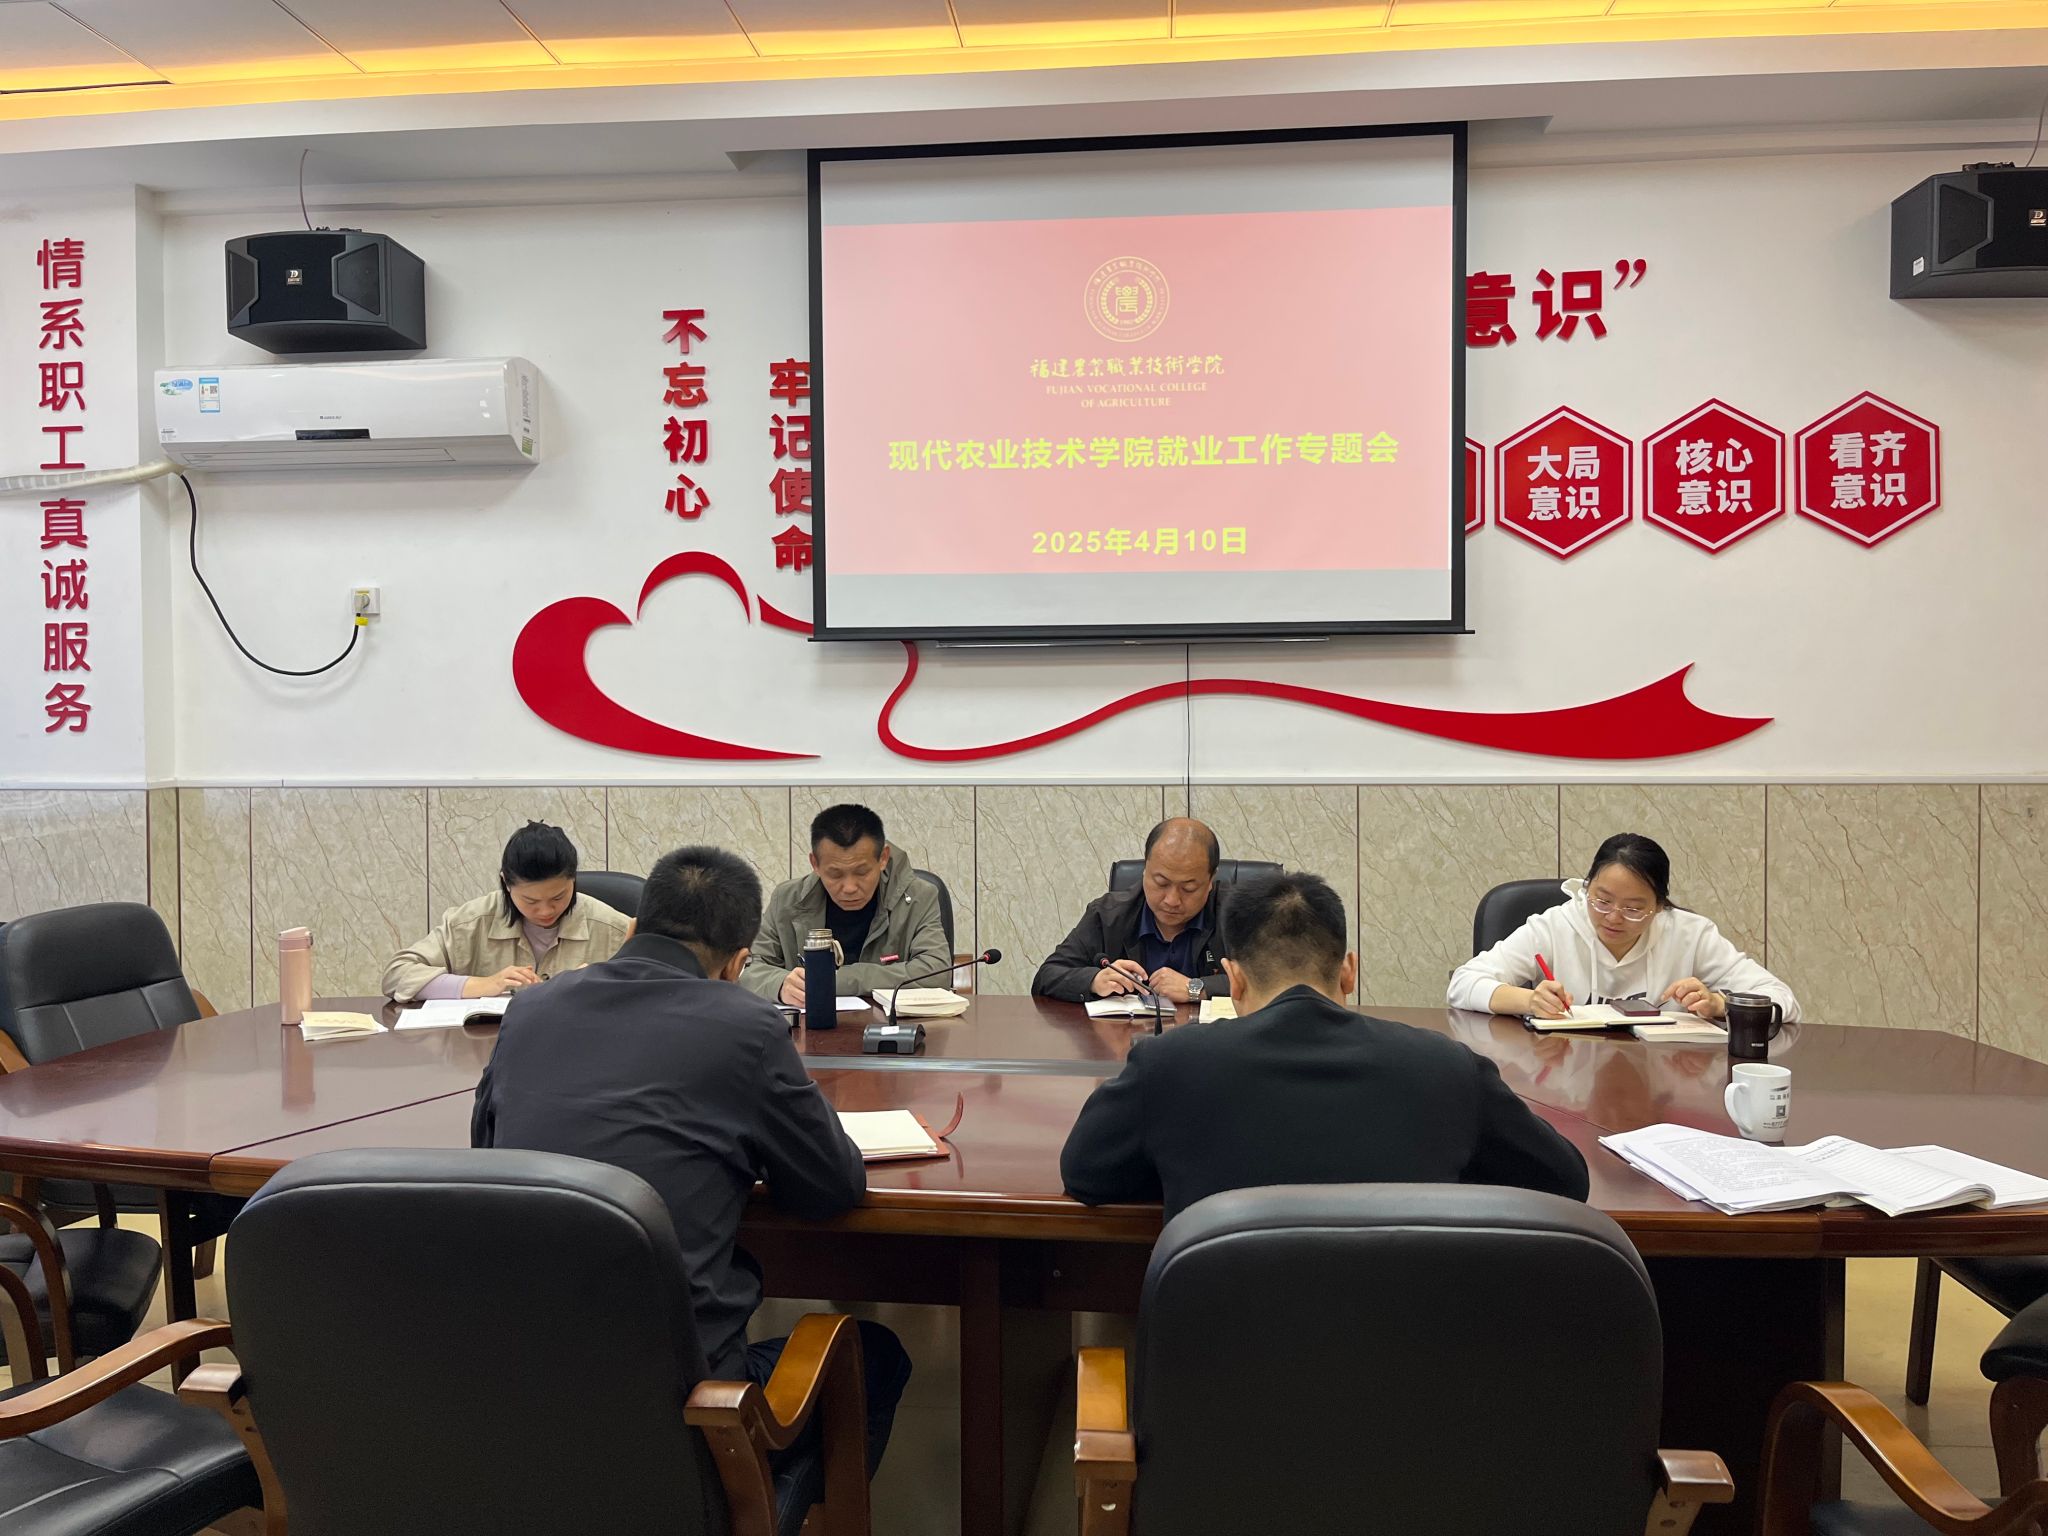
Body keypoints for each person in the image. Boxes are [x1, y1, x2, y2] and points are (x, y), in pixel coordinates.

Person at [472, 844, 910, 1472]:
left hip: (519, 1393)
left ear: (630, 929)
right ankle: (764, 1506)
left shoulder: (531, 1008)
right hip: (691, 1415)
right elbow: (832, 1189)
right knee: (876, 1353)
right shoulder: (746, 1024)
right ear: (738, 964)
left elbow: (488, 1155)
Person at [1060, 870, 1588, 1222]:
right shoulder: (1448, 1067)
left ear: (1233, 979)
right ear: (1349, 971)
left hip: (1221, 1350)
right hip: (1408, 1353)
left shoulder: (1169, 1065)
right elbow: (1564, 1180)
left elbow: (1086, 1175)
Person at [1448, 832, 1801, 1023]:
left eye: (1634, 909)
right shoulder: (1555, 926)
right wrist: (1529, 1000)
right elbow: (1463, 984)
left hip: (1661, 1083)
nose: (1614, 917)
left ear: (1659, 907)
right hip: (1566, 1077)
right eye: (1601, 901)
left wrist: (1718, 1004)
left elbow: (1783, 1000)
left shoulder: (1690, 934)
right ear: (1586, 888)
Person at [382, 821, 629, 1002]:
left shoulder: (614, 927)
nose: (545, 910)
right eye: (530, 900)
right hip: (486, 1048)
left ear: (573, 880)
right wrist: (485, 984)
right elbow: (397, 974)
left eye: (558, 897)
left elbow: (651, 989)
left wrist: (605, 981)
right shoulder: (471, 922)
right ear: (506, 883)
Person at [739, 804, 950, 1005]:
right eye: (835, 874)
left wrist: (838, 980)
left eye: (862, 872)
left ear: (883, 858)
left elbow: (936, 972)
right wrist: (780, 985)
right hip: (809, 1026)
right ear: (815, 864)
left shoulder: (919, 897)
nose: (849, 887)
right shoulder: (787, 899)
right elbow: (749, 970)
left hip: (890, 1026)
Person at [1032, 817, 1227, 1006]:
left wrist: (1196, 988)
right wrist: (1094, 980)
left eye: (1188, 888)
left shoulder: (1234, 913)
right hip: (1126, 1029)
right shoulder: (1108, 915)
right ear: (1145, 870)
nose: (1172, 900)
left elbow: (1247, 980)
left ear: (1210, 880)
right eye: (1161, 883)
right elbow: (1046, 977)